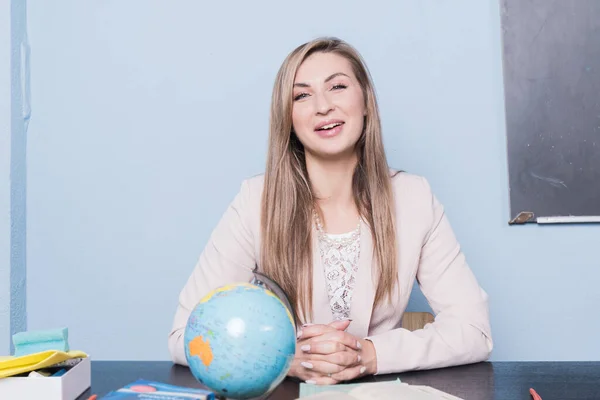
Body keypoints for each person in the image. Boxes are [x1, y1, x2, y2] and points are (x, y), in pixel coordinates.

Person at [168, 37, 492, 385]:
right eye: (302, 95)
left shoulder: (414, 197)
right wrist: (285, 360)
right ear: (288, 117)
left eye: (337, 86)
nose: (323, 107)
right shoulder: (255, 201)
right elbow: (185, 334)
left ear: (366, 100)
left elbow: (474, 330)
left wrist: (368, 354)